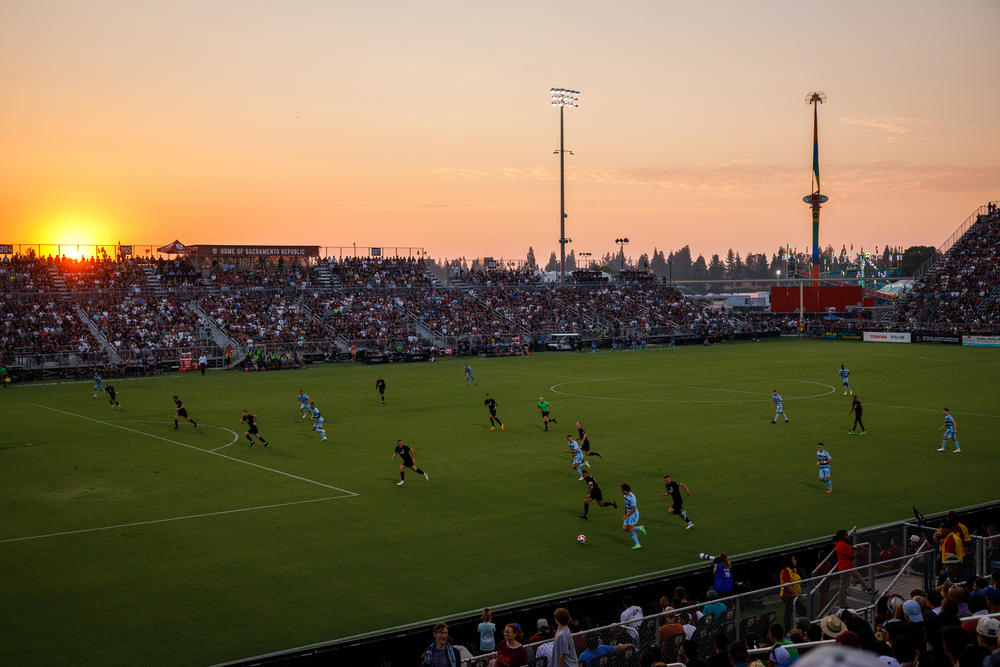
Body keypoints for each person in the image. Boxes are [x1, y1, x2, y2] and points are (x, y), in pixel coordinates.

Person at [834, 529, 871, 607]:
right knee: (844, 586)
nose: (848, 536)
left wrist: (854, 549)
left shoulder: (839, 543)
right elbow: (851, 557)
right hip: (846, 568)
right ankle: (842, 603)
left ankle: (868, 588)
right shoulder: (844, 545)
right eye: (846, 535)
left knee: (857, 575)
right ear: (843, 537)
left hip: (845, 567)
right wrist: (857, 551)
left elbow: (848, 551)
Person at [780, 556, 803, 631]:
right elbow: (787, 585)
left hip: (794, 596)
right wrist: (796, 593)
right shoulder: (785, 571)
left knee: (792, 612)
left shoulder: (794, 570)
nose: (795, 560)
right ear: (790, 561)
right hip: (787, 596)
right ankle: (790, 630)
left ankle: (796, 628)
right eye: (794, 559)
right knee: (791, 613)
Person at [621, 483, 646, 550]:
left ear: (625, 490)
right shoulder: (625, 496)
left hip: (633, 514)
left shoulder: (632, 497)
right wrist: (625, 514)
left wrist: (626, 515)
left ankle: (638, 544)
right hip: (628, 513)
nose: (621, 491)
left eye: (622, 490)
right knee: (624, 528)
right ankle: (639, 528)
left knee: (631, 529)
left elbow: (633, 509)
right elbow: (626, 506)